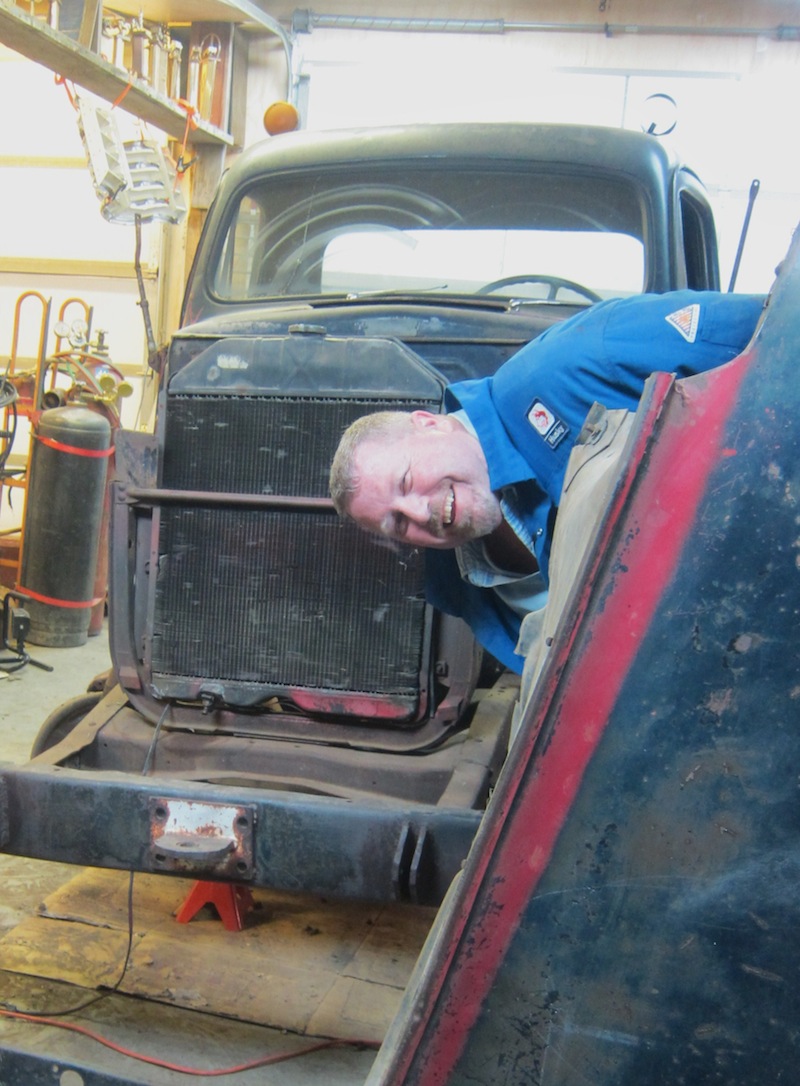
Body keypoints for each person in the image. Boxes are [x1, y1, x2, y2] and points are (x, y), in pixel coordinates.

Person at [329, 290, 766, 673]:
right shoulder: (466, 588)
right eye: (397, 524)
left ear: (430, 423)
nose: (420, 513)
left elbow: (778, 331)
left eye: (406, 481)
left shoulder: (578, 362)